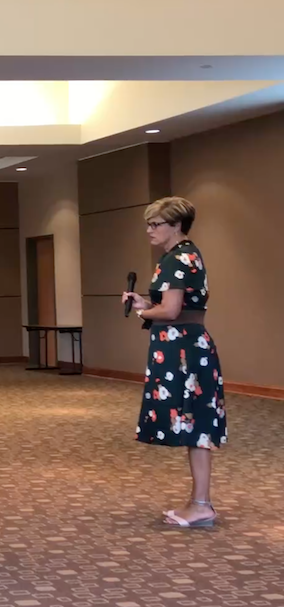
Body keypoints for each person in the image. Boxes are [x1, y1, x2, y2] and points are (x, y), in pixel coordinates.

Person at [122, 196, 225, 528]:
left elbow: (170, 310)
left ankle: (202, 505)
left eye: (156, 224)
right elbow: (174, 305)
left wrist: (143, 312)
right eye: (148, 224)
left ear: (176, 225)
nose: (149, 230)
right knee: (196, 424)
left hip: (182, 350)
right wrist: (146, 304)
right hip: (189, 345)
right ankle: (199, 503)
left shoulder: (176, 259)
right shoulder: (186, 254)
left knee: (195, 425)